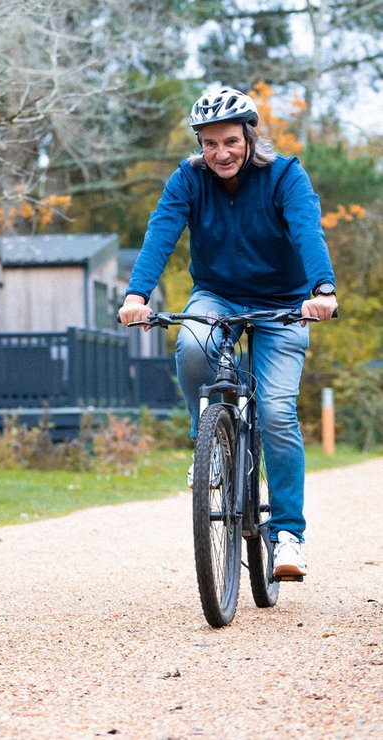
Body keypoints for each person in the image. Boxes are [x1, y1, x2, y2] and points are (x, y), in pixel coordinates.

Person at [118, 87, 338, 579]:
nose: (221, 153)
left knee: (279, 412)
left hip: (284, 302)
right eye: (210, 143)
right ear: (200, 143)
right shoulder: (188, 179)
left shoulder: (285, 175)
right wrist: (137, 295)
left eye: (231, 141)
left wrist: (322, 288)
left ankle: (288, 536)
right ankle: (211, 442)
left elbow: (307, 231)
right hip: (217, 295)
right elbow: (161, 231)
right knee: (193, 345)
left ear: (249, 137)